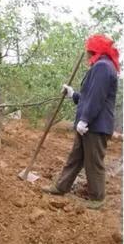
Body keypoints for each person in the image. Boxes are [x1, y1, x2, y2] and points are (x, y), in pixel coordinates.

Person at [42, 34, 120, 209]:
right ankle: (60, 187)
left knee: (93, 162)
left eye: (88, 50)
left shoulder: (102, 67)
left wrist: (85, 120)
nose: (86, 54)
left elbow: (96, 98)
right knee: (75, 158)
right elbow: (88, 96)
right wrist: (73, 94)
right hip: (90, 125)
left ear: (94, 50)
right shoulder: (102, 66)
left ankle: (97, 199)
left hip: (95, 126)